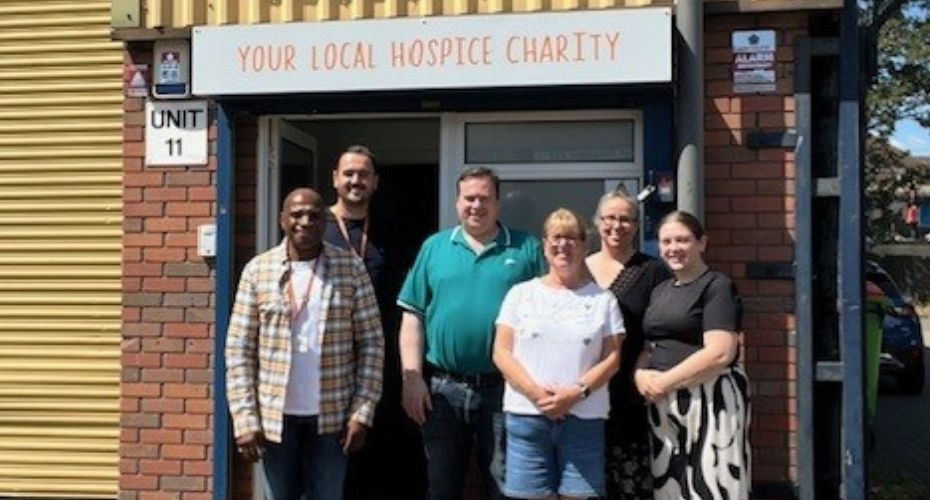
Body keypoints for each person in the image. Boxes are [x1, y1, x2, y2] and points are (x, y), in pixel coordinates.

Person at [225, 187, 385, 500]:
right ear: (282, 220)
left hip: (332, 416)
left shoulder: (351, 268)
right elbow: (239, 348)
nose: (306, 222)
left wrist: (362, 411)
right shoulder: (258, 270)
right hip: (275, 418)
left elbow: (372, 343)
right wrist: (244, 418)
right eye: (297, 214)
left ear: (325, 221)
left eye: (314, 215)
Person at [398, 166, 546, 500]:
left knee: (505, 489)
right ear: (457, 203)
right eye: (469, 198)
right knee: (442, 488)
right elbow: (412, 316)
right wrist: (412, 378)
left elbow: (548, 313)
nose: (476, 205)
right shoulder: (435, 247)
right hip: (443, 390)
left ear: (498, 203)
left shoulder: (526, 248)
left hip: (506, 389)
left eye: (484, 198)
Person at [493, 208, 624, 500]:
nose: (563, 245)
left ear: (584, 246)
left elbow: (612, 359)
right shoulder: (520, 294)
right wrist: (538, 395)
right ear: (544, 245)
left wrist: (575, 394)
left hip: (583, 418)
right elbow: (501, 352)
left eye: (571, 238)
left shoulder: (604, 300)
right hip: (527, 417)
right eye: (556, 237)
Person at [324, 145, 420, 499]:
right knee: (330, 460)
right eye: (349, 174)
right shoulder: (315, 228)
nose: (356, 180)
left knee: (380, 458)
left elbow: (408, 296)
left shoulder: (390, 229)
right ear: (335, 179)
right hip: (330, 363)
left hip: (382, 363)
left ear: (375, 181)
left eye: (363, 174)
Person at [635, 211, 750, 500]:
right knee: (669, 488)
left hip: (710, 398)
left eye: (683, 240)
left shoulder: (717, 286)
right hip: (663, 402)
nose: (673, 248)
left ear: (702, 243)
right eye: (666, 241)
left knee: (713, 487)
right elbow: (650, 345)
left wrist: (663, 383)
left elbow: (720, 352)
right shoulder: (660, 290)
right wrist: (640, 374)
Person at [585, 190, 671, 499]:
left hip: (629, 397)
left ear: (636, 226)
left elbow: (662, 330)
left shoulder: (654, 271)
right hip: (583, 395)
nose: (616, 226)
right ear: (598, 222)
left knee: (630, 486)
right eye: (609, 218)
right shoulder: (578, 269)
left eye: (625, 219)